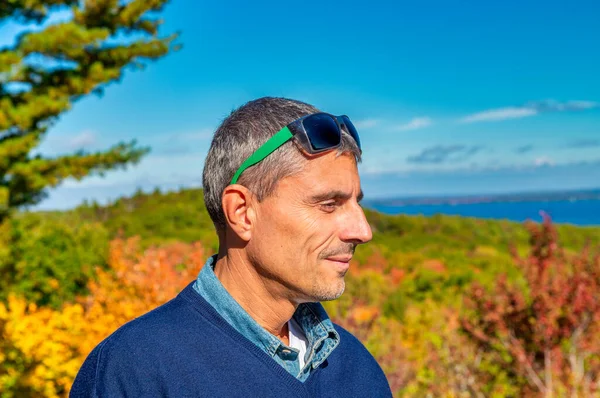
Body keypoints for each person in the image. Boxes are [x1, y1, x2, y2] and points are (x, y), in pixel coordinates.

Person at [70, 97, 393, 397]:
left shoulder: (354, 367)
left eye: (355, 203)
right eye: (328, 204)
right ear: (242, 212)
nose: (362, 231)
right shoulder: (137, 368)